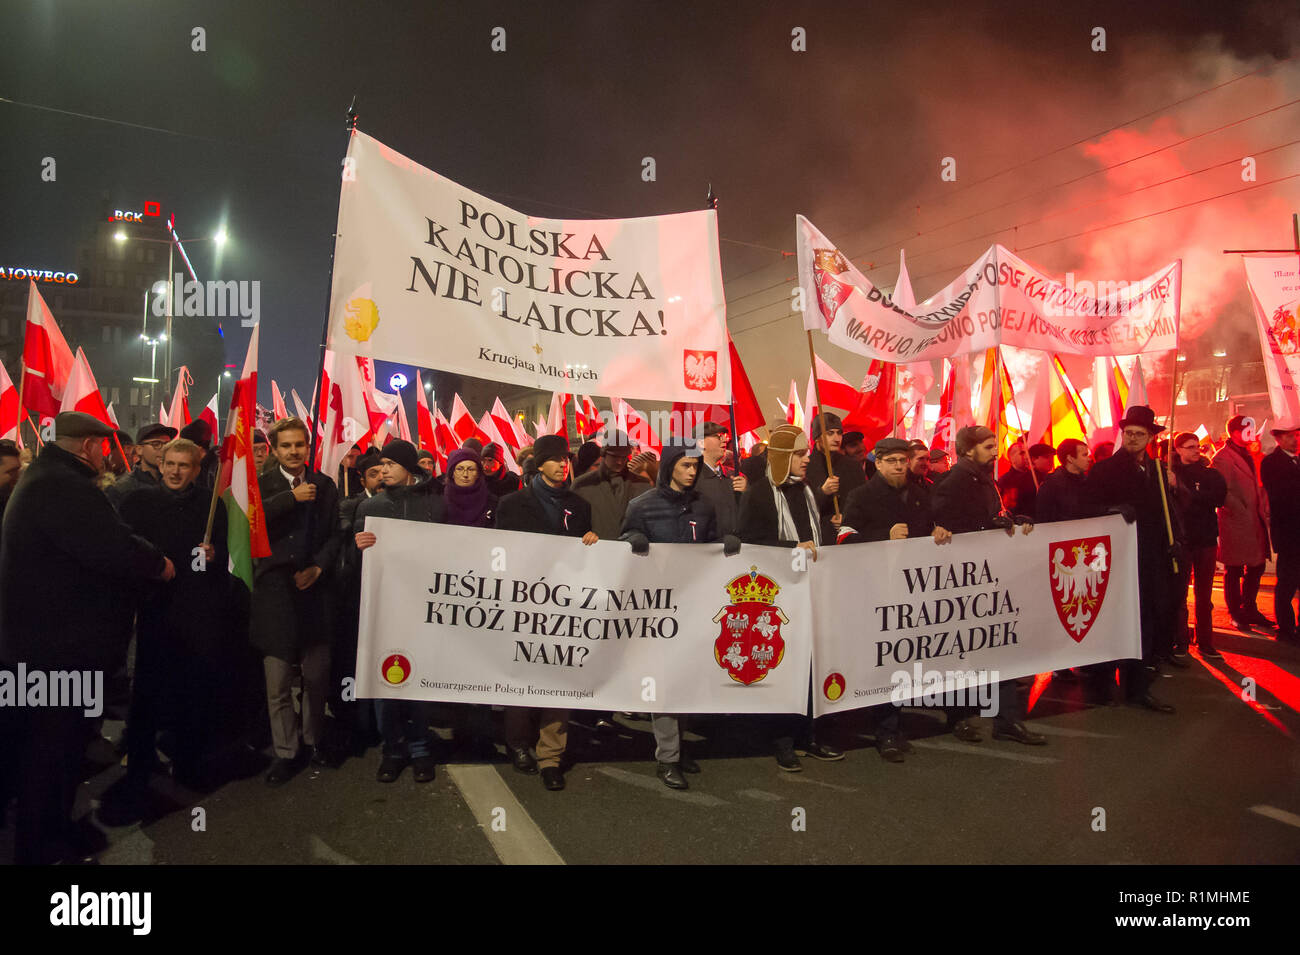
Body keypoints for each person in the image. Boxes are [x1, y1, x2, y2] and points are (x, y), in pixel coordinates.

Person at [0, 412, 174, 864]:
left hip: (45, 647)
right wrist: (158, 563)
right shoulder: (61, 485)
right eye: (101, 446)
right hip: (55, 651)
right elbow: (112, 546)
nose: (105, 454)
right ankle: (41, 845)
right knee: (51, 752)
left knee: (54, 749)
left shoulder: (46, 476)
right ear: (87, 447)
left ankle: (53, 830)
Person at [106, 438, 233, 820]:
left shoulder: (211, 506)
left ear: (197, 469)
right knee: (147, 693)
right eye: (170, 464)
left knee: (192, 692)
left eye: (185, 465)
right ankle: (140, 767)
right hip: (153, 613)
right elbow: (123, 556)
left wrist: (211, 558)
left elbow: (220, 563)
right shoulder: (137, 503)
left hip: (195, 614)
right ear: (160, 465)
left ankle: (189, 762)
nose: (176, 471)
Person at [621, 442, 735, 789]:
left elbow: (710, 543)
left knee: (686, 678)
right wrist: (634, 537)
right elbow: (622, 539)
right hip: (659, 608)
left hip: (695, 604)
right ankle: (668, 758)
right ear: (670, 466)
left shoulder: (703, 505)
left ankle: (678, 747)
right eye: (686, 465)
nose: (692, 472)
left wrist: (725, 543)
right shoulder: (641, 505)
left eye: (696, 467)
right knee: (667, 682)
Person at [737, 423, 843, 770]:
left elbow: (813, 533)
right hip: (778, 595)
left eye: (806, 453)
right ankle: (782, 741)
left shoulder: (806, 490)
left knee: (811, 665)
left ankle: (808, 735)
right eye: (799, 454)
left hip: (811, 589)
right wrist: (790, 548)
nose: (807, 458)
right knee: (782, 665)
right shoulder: (759, 494)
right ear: (783, 457)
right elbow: (747, 543)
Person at [931, 425, 1046, 745]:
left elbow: (994, 513)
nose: (996, 451)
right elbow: (941, 524)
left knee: (1003, 643)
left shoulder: (985, 479)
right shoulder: (953, 481)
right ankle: (959, 717)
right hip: (964, 578)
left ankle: (1007, 719)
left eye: (995, 446)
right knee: (962, 650)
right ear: (969, 450)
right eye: (988, 446)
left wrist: (1011, 519)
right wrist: (982, 527)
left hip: (992, 574)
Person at [840, 437, 953, 761]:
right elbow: (844, 537)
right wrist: (883, 538)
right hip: (875, 589)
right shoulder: (861, 496)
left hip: (911, 589)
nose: (900, 467)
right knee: (884, 659)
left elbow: (928, 527)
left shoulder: (919, 494)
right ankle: (885, 730)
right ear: (879, 464)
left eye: (903, 461)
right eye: (892, 461)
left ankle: (895, 723)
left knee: (903, 657)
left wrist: (937, 532)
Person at [495, 434, 598, 791]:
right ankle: (519, 743)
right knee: (522, 675)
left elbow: (586, 553)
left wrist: (591, 543)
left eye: (566, 459)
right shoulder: (512, 503)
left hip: (564, 605)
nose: (563, 465)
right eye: (555, 459)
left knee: (557, 677)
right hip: (525, 602)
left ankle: (551, 756)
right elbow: (501, 553)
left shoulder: (579, 505)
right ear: (539, 464)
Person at [252, 417, 341, 786]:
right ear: (275, 450)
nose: (293, 452)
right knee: (278, 682)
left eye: (299, 445)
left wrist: (319, 568)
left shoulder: (324, 484)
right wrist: (290, 498)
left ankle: (313, 738)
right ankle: (286, 751)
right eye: (285, 446)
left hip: (313, 593)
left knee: (316, 676)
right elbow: (248, 522)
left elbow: (335, 534)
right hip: (275, 592)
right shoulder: (262, 485)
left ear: (308, 447)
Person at [354, 440, 446, 783]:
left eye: (392, 464)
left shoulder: (436, 505)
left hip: (422, 605)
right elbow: (353, 561)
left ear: (410, 468)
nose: (384, 470)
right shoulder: (372, 506)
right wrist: (357, 546)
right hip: (384, 605)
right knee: (388, 678)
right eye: (382, 465)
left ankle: (421, 747)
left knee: (418, 681)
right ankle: (392, 748)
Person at [1087, 406, 1180, 713]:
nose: (1134, 439)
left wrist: (1175, 541)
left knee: (1146, 623)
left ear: (1151, 437)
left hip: (1150, 558)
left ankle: (1138, 687)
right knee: (1112, 620)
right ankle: (1101, 684)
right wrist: (1110, 510)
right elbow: (1090, 510)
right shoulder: (1103, 470)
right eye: (1129, 434)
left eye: (1140, 434)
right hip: (1117, 559)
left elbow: (1168, 512)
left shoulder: (1156, 469)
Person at [333, 448, 385, 756]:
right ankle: (354, 722)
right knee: (353, 660)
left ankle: (379, 722)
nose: (380, 478)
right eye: (374, 474)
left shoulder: (395, 504)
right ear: (362, 478)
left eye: (383, 471)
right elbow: (342, 550)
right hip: (354, 593)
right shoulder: (351, 506)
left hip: (385, 593)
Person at [1213, 415, 1273, 634]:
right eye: (1247, 428)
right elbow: (1222, 490)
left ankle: (1250, 608)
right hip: (1236, 521)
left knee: (1257, 566)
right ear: (1235, 432)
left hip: (1255, 519)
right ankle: (1235, 613)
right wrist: (1240, 508)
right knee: (1234, 568)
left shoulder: (1252, 453)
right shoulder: (1223, 457)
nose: (1251, 432)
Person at [1170, 431, 1228, 658]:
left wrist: (1191, 494)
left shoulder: (1210, 474)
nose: (1196, 450)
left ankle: (1205, 641)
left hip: (1205, 539)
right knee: (1180, 594)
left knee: (1204, 596)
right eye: (1190, 446)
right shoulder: (1170, 474)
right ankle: (1181, 641)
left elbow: (1218, 498)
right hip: (1182, 540)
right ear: (1179, 450)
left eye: (1197, 446)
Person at [1260, 419, 1300, 646]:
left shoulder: (1298, 461)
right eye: (1290, 436)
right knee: (1287, 581)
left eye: (1295, 436)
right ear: (1279, 439)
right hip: (1288, 532)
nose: (1295, 439)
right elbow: (1279, 495)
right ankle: (1285, 628)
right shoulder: (1271, 462)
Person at [573, 432, 651, 541]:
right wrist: (585, 534)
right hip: (596, 551)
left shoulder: (642, 485)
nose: (619, 462)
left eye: (623, 457)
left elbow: (651, 523)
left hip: (633, 553)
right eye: (614, 456)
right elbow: (573, 525)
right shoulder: (582, 485)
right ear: (604, 454)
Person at [805, 412, 868, 544]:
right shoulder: (805, 467)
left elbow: (864, 504)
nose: (836, 438)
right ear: (817, 437)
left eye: (839, 433)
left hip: (850, 542)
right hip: (819, 543)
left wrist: (847, 519)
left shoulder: (853, 466)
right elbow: (801, 511)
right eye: (830, 433)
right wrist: (822, 493)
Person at [694, 421, 748, 537]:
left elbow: (749, 515)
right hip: (707, 548)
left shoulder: (736, 476)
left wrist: (746, 493)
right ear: (701, 442)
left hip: (738, 547)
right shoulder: (692, 478)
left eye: (725, 436)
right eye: (719, 436)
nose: (725, 440)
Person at [106, 422, 176, 509]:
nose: (164, 449)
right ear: (139, 450)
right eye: (156, 444)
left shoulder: (177, 482)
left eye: (168, 445)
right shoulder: (123, 488)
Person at [1035, 438, 1096, 524]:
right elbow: (1044, 519)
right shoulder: (1051, 486)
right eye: (1084, 455)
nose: (1089, 459)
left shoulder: (1089, 481)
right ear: (1070, 458)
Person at [997, 439, 1039, 520]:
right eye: (1022, 453)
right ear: (1011, 458)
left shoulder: (1036, 476)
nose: (1027, 456)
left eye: (1027, 452)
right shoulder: (1005, 481)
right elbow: (1009, 506)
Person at [179, 419, 218, 490]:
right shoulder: (189, 465)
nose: (181, 449)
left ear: (197, 447)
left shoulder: (216, 467)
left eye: (184, 445)